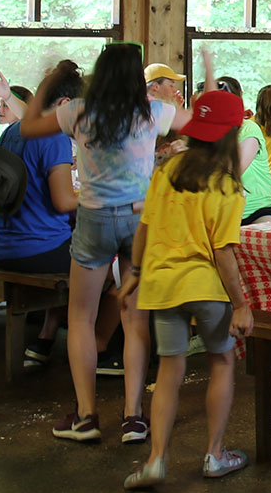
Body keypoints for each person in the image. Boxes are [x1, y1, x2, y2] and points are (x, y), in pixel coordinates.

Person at [19, 43, 196, 446]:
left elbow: (27, 127)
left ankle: (85, 416)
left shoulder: (78, 111)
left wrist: (49, 79)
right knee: (135, 318)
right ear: (139, 79)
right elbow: (205, 125)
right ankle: (134, 417)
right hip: (139, 219)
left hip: (94, 217)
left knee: (81, 317)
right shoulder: (152, 112)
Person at [118, 87, 255, 489]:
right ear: (232, 133)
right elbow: (223, 251)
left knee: (170, 371)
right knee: (221, 362)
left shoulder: (166, 172)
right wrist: (242, 304)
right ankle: (214, 453)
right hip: (206, 285)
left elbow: (144, 228)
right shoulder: (227, 186)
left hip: (162, 283)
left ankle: (157, 459)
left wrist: (136, 272)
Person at [0, 67, 82, 365]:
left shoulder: (11, 131)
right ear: (66, 105)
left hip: (1, 247)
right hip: (37, 249)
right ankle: (100, 348)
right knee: (106, 264)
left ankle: (45, 339)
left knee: (76, 248)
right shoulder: (54, 137)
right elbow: (64, 201)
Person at [217, 77, 271, 224]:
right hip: (223, 212)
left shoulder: (248, 128)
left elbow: (233, 170)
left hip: (259, 209)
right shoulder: (208, 131)